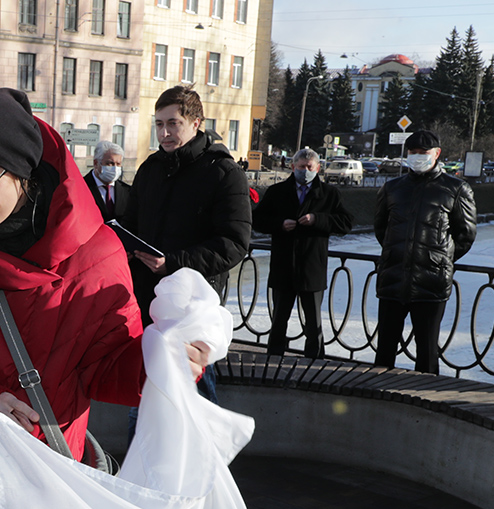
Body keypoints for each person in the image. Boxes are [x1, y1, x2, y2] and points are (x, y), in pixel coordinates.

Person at [0, 86, 214, 509]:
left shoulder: (95, 252)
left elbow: (106, 367)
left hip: (49, 487)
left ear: (23, 170)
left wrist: (166, 359)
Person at [121, 84, 252, 402]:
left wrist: (174, 262)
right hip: (147, 301)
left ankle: (201, 451)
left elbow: (234, 242)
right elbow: (131, 224)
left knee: (194, 397)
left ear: (195, 123)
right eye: (159, 124)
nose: (164, 133)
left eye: (172, 123)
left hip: (193, 304)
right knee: (147, 394)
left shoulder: (223, 172)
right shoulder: (150, 169)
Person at [372, 128, 476, 374]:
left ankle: (424, 399)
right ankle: (376, 396)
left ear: (437, 153)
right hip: (393, 279)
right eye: (413, 152)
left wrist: (438, 258)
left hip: (431, 282)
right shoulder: (392, 188)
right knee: (384, 349)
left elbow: (465, 235)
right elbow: (381, 229)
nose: (417, 156)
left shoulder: (456, 189)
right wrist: (396, 253)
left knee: (427, 352)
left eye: (423, 152)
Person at [251, 148, 354, 358]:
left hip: (312, 266)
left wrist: (318, 219)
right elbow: (258, 220)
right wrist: (279, 224)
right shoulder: (277, 191)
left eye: (309, 167)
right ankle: (274, 358)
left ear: (317, 168)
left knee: (313, 320)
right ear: (292, 167)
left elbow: (346, 223)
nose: (305, 171)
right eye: (301, 167)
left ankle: (314, 361)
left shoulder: (329, 194)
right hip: (283, 265)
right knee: (279, 318)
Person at [83, 140, 129, 222]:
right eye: (109, 163)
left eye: (118, 164)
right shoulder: (81, 187)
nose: (115, 168)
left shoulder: (127, 191)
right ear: (96, 163)